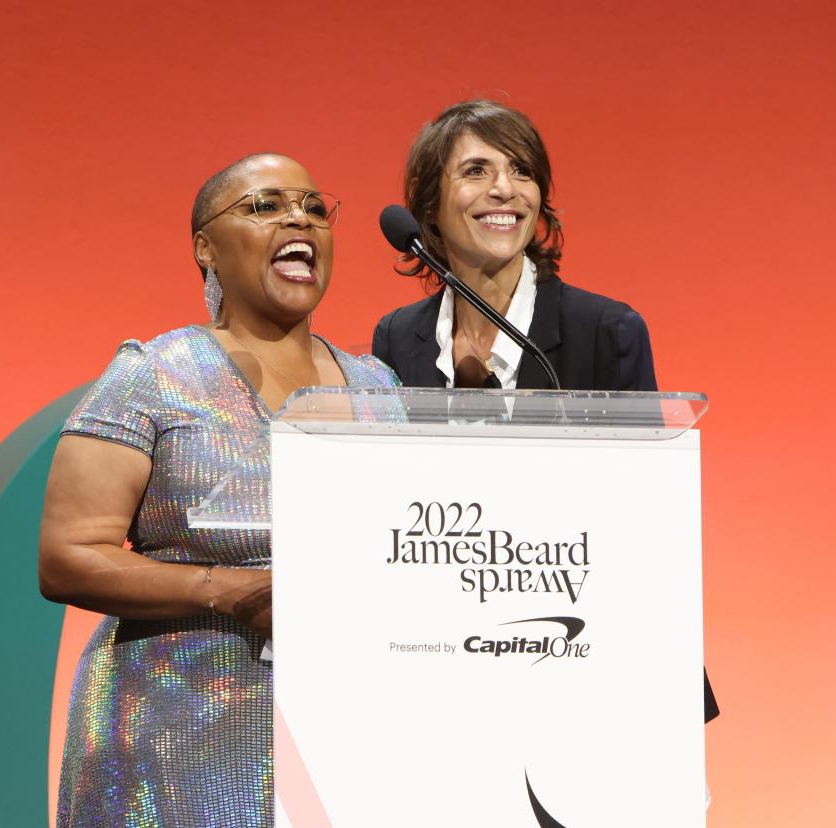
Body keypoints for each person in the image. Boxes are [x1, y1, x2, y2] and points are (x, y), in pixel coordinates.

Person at [40, 153, 399, 827]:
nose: (299, 217)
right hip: (171, 739)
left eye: (314, 208)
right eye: (264, 206)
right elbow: (68, 555)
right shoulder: (155, 375)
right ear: (205, 247)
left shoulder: (381, 389)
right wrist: (230, 590)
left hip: (338, 737)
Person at [371, 99, 719, 723]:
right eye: (476, 171)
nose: (505, 189)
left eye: (522, 171)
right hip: (444, 661)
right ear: (428, 207)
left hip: (592, 654)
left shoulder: (605, 330)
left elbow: (648, 516)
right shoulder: (397, 339)